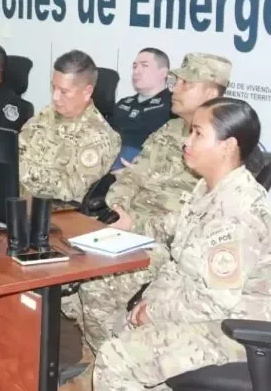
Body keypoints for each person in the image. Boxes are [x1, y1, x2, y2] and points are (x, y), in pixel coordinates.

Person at [62, 53, 232, 387]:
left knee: (97, 286)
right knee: (63, 271)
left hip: (167, 244)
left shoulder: (221, 147)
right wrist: (122, 207)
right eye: (176, 80)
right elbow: (131, 175)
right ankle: (95, 355)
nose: (175, 88)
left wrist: (135, 225)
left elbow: (195, 222)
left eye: (185, 83)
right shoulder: (169, 130)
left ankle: (106, 364)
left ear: (211, 94)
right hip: (129, 225)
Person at [93, 98, 271, 390]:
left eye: (198, 134)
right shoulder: (206, 188)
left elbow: (215, 302)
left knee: (117, 357)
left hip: (233, 328)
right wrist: (147, 304)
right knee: (121, 328)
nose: (186, 142)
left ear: (227, 146)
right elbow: (180, 262)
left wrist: (154, 311)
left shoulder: (237, 213)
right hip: (201, 309)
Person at [18, 50, 120, 203]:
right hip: (18, 199)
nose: (55, 97)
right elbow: (16, 150)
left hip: (54, 212)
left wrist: (20, 172)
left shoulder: (98, 136)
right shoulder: (48, 114)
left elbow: (69, 190)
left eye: (64, 91)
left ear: (87, 92)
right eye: (54, 87)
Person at [109, 48, 172, 169]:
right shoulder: (124, 103)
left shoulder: (172, 106)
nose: (136, 71)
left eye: (144, 66)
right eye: (134, 66)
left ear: (164, 73)